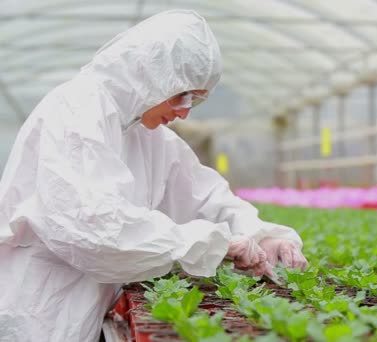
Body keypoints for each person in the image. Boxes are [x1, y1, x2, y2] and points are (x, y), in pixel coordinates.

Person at [0, 10, 307, 342]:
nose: (185, 111)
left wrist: (262, 236)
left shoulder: (145, 132)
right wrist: (208, 244)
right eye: (182, 94)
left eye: (197, 99)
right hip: (40, 314)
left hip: (84, 310)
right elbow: (96, 231)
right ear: (149, 74)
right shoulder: (77, 111)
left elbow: (203, 197)